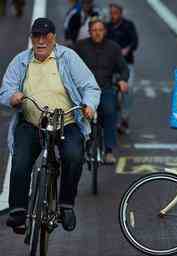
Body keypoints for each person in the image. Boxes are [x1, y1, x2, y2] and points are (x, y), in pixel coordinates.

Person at [0, 17, 101, 233]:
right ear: (32, 38)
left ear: (53, 38)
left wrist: (89, 105)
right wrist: (12, 97)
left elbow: (90, 87)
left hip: (66, 121)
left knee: (74, 156)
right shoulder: (21, 61)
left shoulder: (68, 57)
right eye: (36, 36)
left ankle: (66, 205)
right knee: (20, 161)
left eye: (45, 36)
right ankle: (18, 211)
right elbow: (5, 90)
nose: (41, 41)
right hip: (32, 122)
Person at [75, 19, 129, 164]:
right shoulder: (80, 47)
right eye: (94, 30)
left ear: (105, 32)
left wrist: (123, 80)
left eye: (100, 30)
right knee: (76, 114)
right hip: (84, 91)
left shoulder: (113, 47)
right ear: (89, 32)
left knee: (110, 112)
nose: (97, 33)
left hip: (105, 88)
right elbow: (69, 67)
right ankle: (78, 148)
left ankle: (109, 150)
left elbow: (124, 68)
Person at [106, 3, 138, 134]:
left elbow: (135, 42)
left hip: (126, 63)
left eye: (115, 13)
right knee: (108, 90)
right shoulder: (107, 27)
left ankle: (125, 118)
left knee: (128, 89)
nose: (113, 16)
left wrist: (127, 49)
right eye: (111, 13)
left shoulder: (128, 25)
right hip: (111, 65)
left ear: (121, 13)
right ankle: (110, 119)